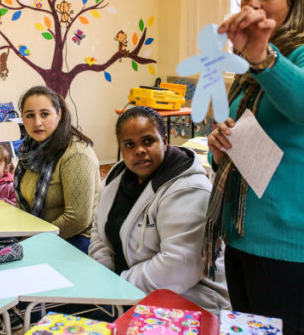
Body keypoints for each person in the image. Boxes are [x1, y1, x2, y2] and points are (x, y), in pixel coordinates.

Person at [203, 0, 304, 333]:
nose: (253, 3)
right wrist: (219, 150)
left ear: (295, 2)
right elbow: (246, 142)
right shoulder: (251, 68)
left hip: (296, 249)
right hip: (245, 240)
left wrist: (262, 55)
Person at [89, 106, 229, 315]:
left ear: (164, 140)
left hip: (188, 301)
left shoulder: (190, 189)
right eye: (129, 145)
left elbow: (179, 266)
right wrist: (105, 273)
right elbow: (98, 231)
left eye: (148, 141)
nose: (139, 150)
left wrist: (119, 285)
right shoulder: (114, 177)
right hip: (126, 292)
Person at [14, 86, 100, 253]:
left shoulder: (76, 154)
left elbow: (77, 220)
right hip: (39, 233)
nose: (37, 122)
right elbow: (21, 201)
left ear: (59, 115)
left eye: (45, 114)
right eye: (30, 115)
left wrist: (33, 240)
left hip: (78, 238)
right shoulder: (29, 150)